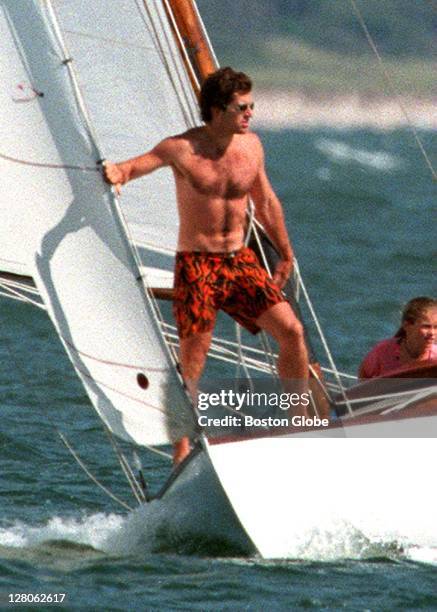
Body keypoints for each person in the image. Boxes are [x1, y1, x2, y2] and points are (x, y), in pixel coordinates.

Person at [103, 67, 309, 463]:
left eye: (252, 106)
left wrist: (285, 252)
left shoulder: (251, 147)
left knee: (292, 332)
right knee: (194, 357)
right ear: (217, 110)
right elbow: (132, 167)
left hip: (240, 261)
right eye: (241, 107)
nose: (249, 114)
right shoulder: (181, 149)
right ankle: (182, 449)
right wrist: (118, 172)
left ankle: (297, 423)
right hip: (198, 265)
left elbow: (265, 203)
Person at [359, 296, 437, 379]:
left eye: (436, 327)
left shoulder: (435, 357)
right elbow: (364, 374)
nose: (432, 333)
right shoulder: (384, 351)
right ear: (406, 325)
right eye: (426, 327)